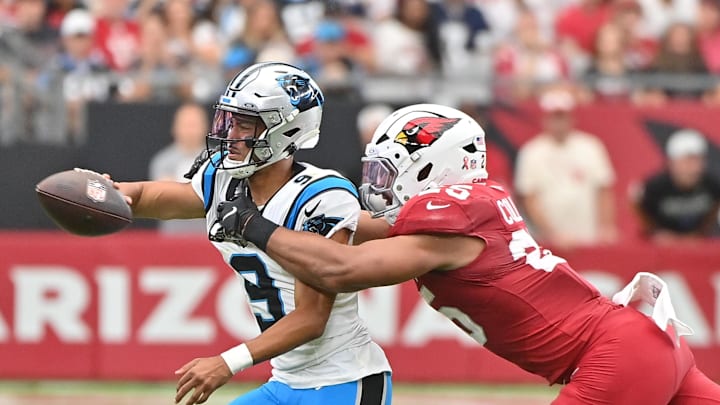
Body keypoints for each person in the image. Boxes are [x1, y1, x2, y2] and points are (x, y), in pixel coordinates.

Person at [212, 103, 720, 404]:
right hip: (644, 344)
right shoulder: (471, 208)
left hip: (613, 355)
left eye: (388, 172)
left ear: (435, 168)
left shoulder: (447, 223)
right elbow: (358, 230)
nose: (377, 187)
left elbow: (342, 270)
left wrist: (254, 225)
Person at [114, 62, 391, 405]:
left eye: (244, 124)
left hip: (343, 380)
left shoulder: (320, 197)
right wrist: (106, 192)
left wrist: (227, 363)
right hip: (286, 381)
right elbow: (155, 198)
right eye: (230, 121)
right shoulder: (224, 180)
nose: (230, 134)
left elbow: (312, 318)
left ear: (286, 130)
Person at [514, 87, 618, 248]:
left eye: (562, 117)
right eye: (555, 117)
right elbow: (529, 198)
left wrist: (606, 227)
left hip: (588, 238)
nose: (559, 123)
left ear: (571, 118)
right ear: (545, 119)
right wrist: (552, 234)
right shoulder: (532, 152)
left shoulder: (591, 146)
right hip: (549, 243)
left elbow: (604, 189)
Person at [635, 129, 720, 241]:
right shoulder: (655, 187)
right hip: (663, 244)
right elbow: (637, 203)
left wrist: (699, 234)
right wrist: (656, 232)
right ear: (671, 162)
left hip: (697, 242)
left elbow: (714, 209)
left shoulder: (712, 185)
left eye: (698, 160)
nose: (693, 168)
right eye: (687, 162)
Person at [148, 103, 208, 234]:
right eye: (186, 125)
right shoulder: (162, 161)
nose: (190, 131)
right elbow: (162, 198)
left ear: (205, 127)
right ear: (175, 127)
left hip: (208, 239)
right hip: (172, 238)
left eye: (194, 125)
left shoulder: (216, 160)